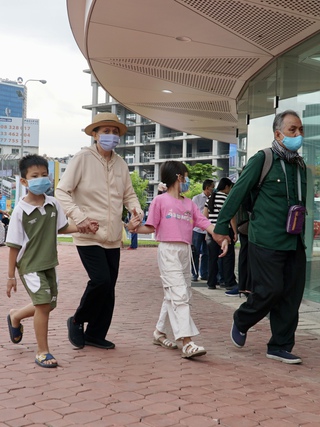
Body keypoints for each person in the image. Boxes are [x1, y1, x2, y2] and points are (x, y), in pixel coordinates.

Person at [213, 110, 307, 364]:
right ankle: (242, 319)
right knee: (270, 290)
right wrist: (221, 226)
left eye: (300, 130)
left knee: (291, 295)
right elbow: (238, 192)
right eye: (292, 130)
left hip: (294, 240)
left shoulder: (300, 166)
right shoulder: (262, 159)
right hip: (265, 238)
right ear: (278, 134)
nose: (298, 134)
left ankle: (279, 345)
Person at [55, 112, 144, 350]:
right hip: (88, 234)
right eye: (105, 131)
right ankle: (76, 320)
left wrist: (136, 212)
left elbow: (129, 195)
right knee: (100, 280)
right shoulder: (82, 158)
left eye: (115, 132)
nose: (111, 136)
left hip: (113, 236)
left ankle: (95, 333)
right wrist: (80, 218)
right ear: (95, 134)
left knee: (109, 287)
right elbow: (62, 191)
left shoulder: (121, 163)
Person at [128, 161, 228, 359]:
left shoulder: (189, 203)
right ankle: (187, 342)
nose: (187, 180)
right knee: (179, 294)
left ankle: (159, 332)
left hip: (185, 251)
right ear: (178, 177)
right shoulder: (160, 201)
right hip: (168, 250)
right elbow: (151, 226)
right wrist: (133, 228)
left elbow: (204, 222)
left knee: (176, 295)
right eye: (186, 176)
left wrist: (220, 237)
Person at [5, 154, 98, 368]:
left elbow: (62, 227)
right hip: (30, 266)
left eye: (44, 175)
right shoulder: (20, 211)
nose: (41, 179)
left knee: (48, 305)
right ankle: (42, 351)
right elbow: (13, 246)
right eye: (35, 175)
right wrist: (11, 276)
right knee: (44, 305)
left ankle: (15, 317)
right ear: (24, 181)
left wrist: (84, 227)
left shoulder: (53, 204)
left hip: (50, 264)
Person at [204, 178, 238, 291]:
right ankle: (229, 282)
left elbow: (205, 217)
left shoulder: (210, 198)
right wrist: (235, 232)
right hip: (224, 231)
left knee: (212, 258)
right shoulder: (226, 198)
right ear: (227, 187)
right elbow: (231, 217)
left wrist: (207, 231)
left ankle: (211, 282)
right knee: (228, 257)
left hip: (211, 231)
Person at [191, 179, 215, 281]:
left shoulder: (213, 198)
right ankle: (194, 274)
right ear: (207, 188)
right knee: (195, 252)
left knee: (206, 253)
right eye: (212, 187)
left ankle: (204, 274)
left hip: (208, 229)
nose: (213, 189)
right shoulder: (196, 198)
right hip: (197, 230)